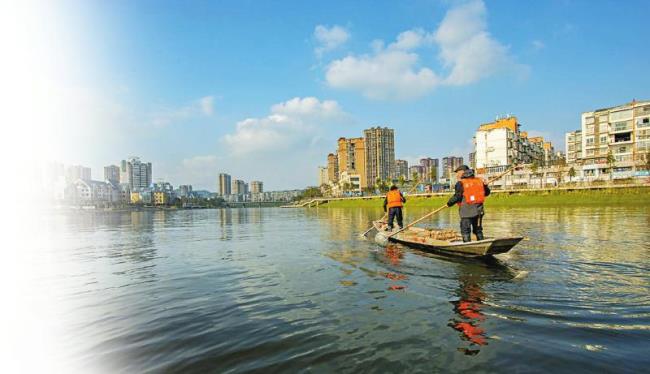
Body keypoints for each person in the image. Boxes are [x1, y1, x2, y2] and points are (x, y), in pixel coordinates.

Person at [446, 165, 490, 242]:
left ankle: (467, 245)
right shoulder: (479, 181)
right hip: (479, 211)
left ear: (463, 172)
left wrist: (449, 203)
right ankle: (481, 242)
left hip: (466, 212)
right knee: (478, 230)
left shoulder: (460, 183)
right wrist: (485, 186)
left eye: (458, 173)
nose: (457, 175)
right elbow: (486, 193)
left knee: (465, 230)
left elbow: (457, 197)